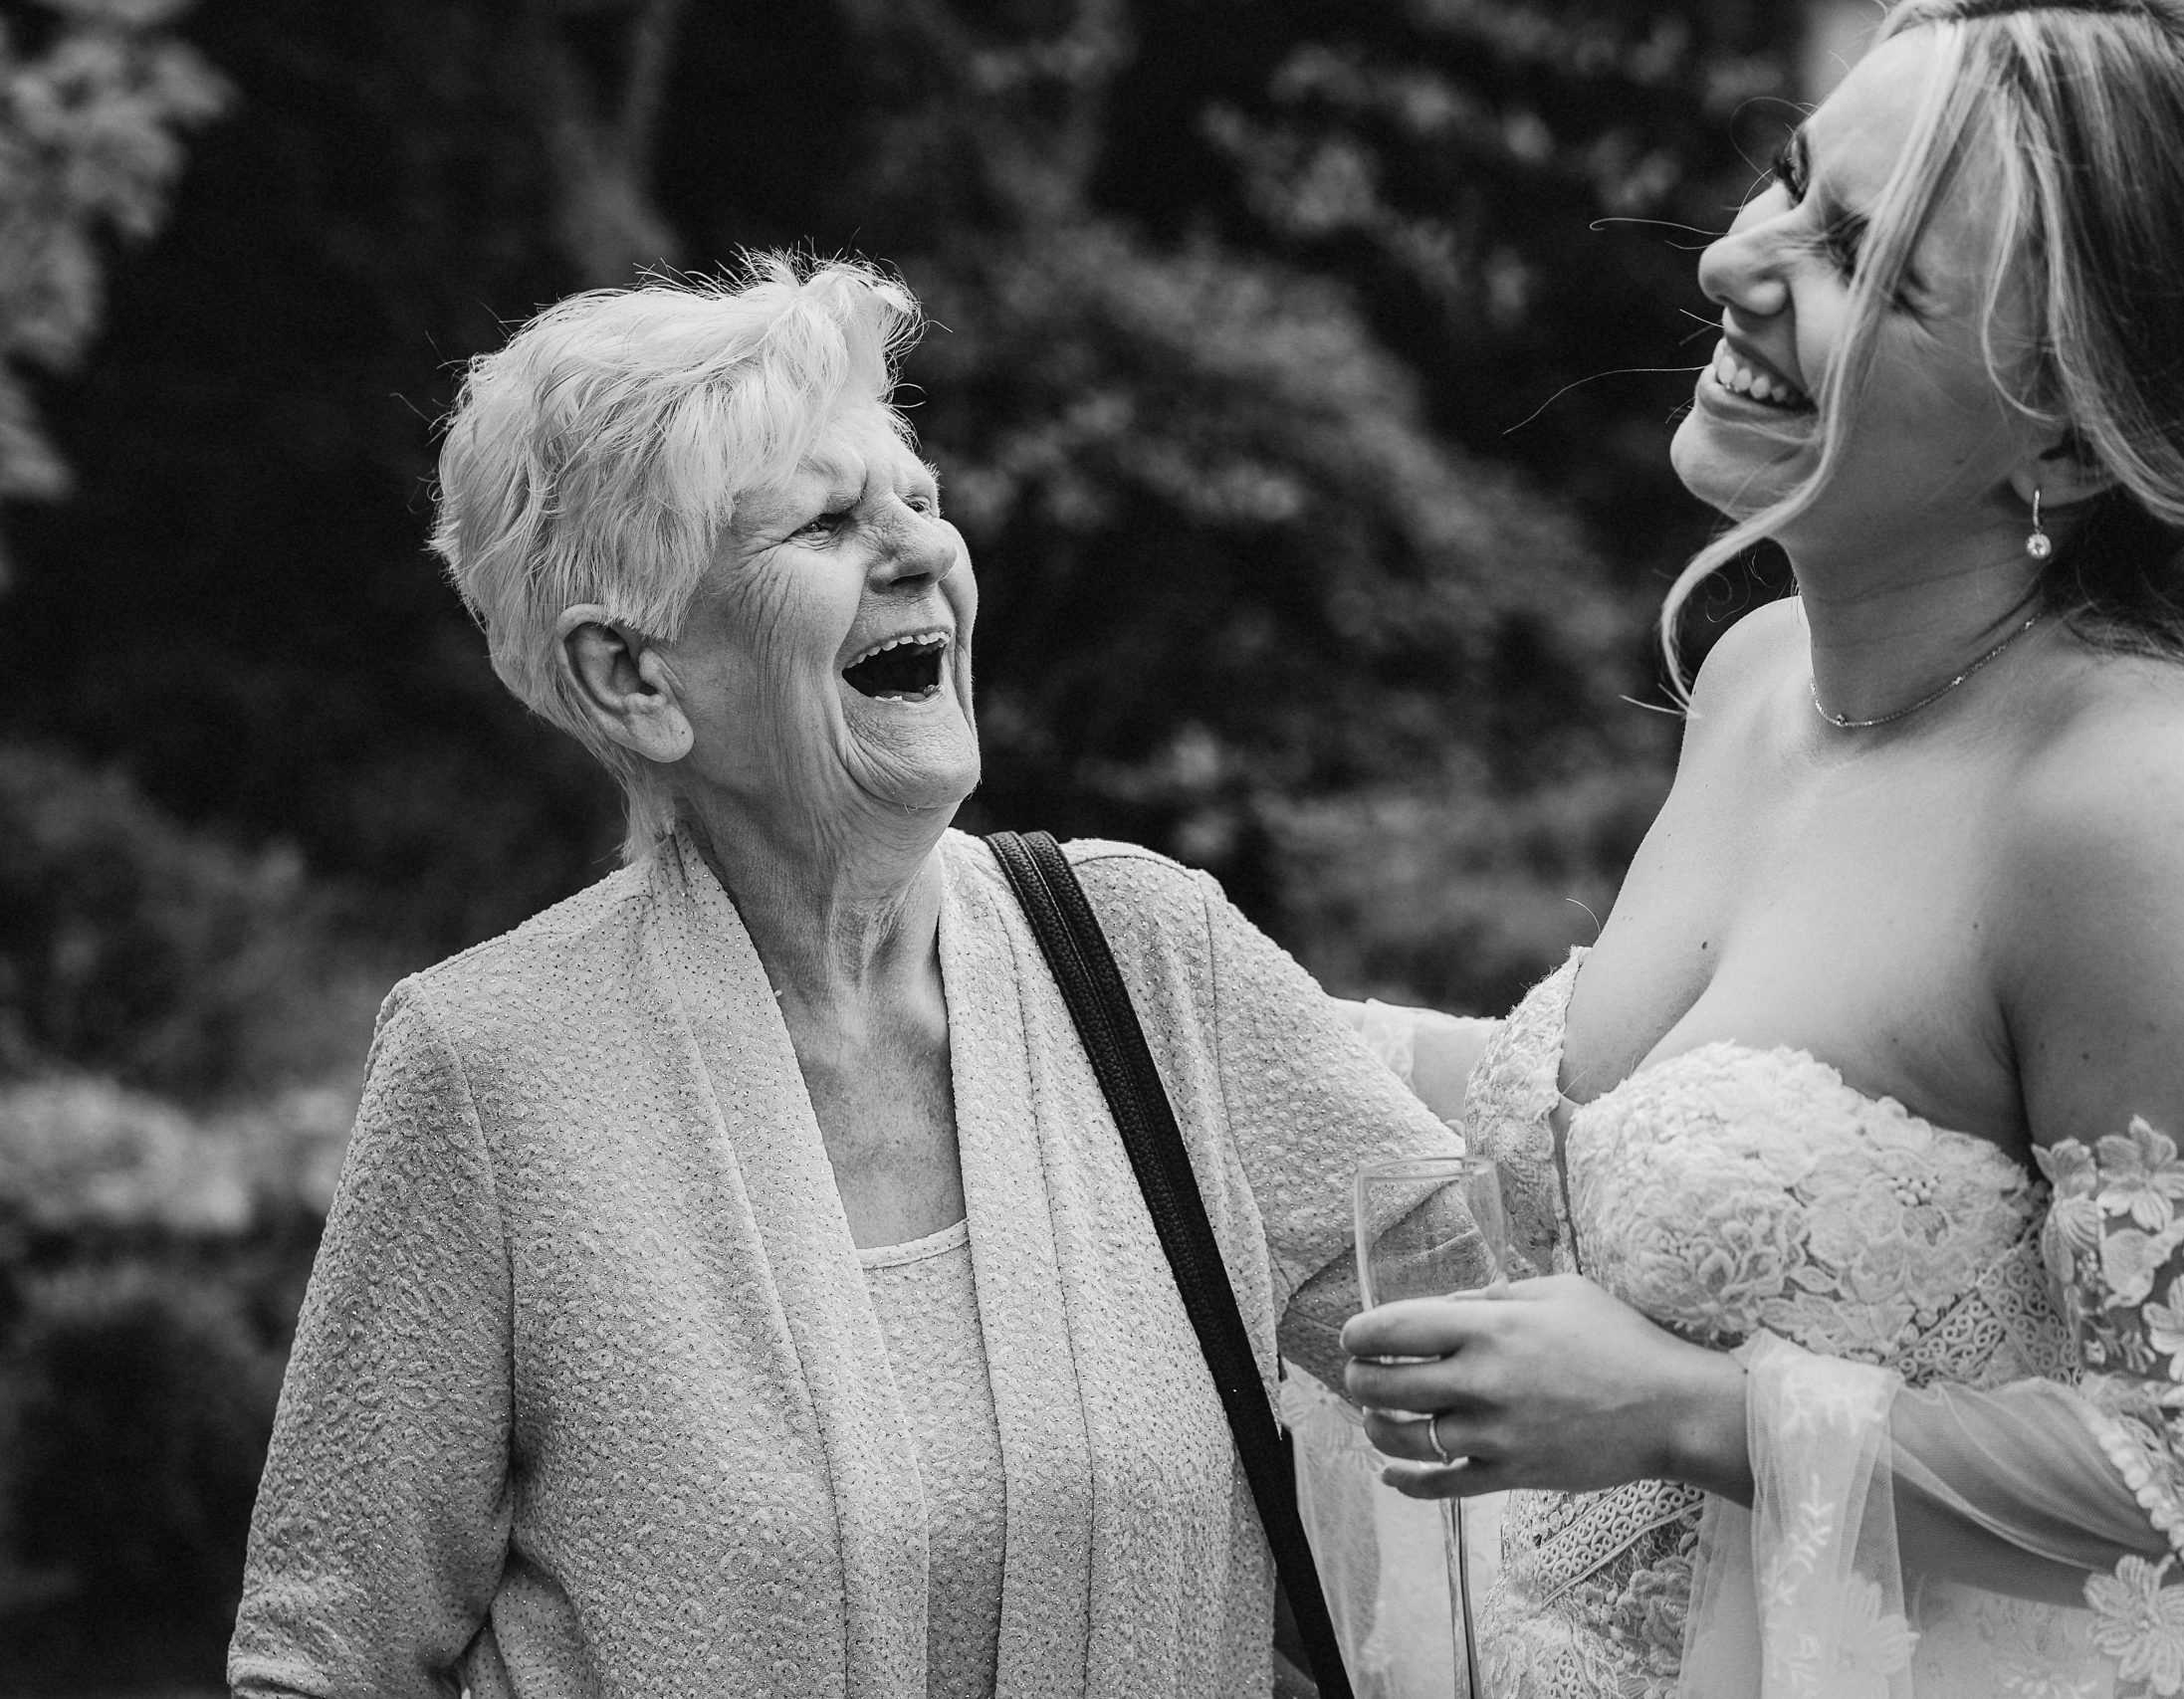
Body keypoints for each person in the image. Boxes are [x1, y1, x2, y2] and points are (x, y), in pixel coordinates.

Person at [1333, 3, 2184, 1696]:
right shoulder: (1765, 684)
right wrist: (1196, 991)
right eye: (1790, 183)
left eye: (1866, 263)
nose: (1732, 267)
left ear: (2064, 427)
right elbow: (1651, 1145)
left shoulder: (2139, 805)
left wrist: (1691, 1415)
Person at [225, 253, 1461, 1699]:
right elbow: (328, 1661)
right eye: (826, 520)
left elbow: (1526, 1393)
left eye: (922, 501)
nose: (917, 548)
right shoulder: (487, 1070)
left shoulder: (1149, 956)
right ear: (636, 676)